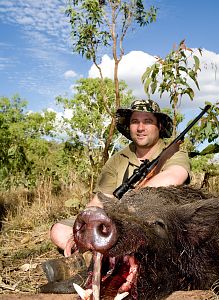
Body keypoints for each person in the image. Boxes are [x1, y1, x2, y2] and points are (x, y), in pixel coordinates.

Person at [50, 99, 191, 256]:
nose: (140, 128)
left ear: (159, 126)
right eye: (135, 121)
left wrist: (128, 204)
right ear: (129, 126)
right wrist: (82, 229)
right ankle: (100, 254)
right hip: (114, 221)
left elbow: (175, 175)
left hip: (152, 222)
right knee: (60, 231)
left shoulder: (173, 152)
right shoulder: (117, 159)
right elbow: (100, 199)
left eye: (148, 121)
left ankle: (99, 256)